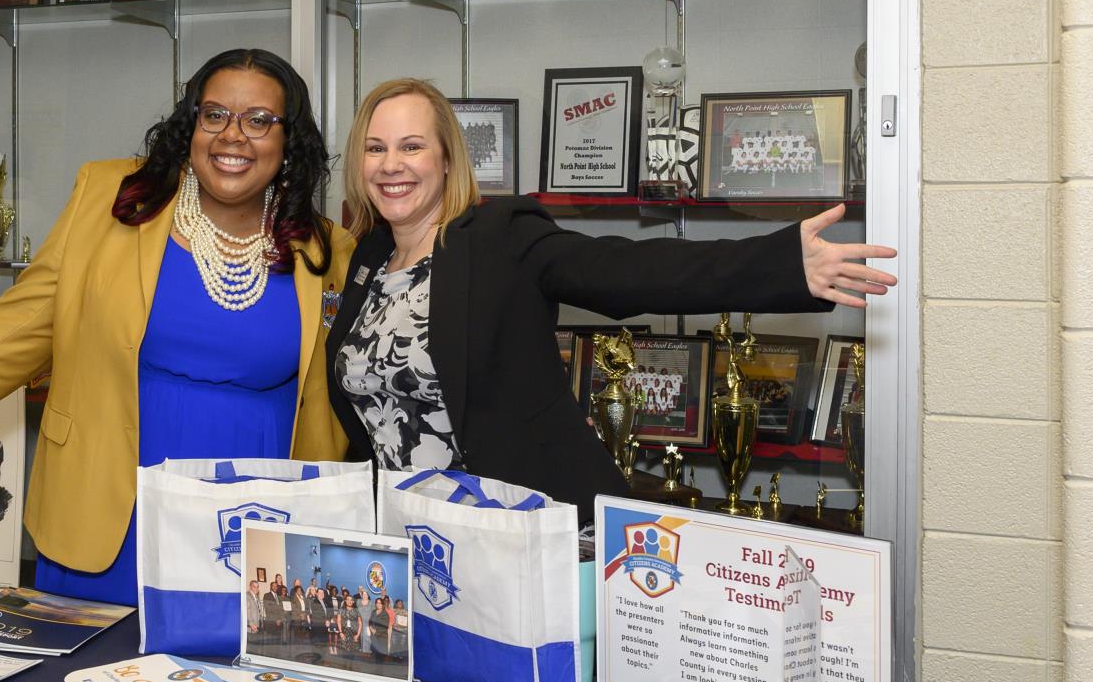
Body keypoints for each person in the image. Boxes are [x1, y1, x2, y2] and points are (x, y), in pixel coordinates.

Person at [0, 49, 351, 605]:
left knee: (234, 663)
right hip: (105, 507)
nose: (232, 136)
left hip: (254, 525)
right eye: (214, 114)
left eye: (259, 120)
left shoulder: (329, 250)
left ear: (289, 140)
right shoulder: (112, 198)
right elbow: (19, 326)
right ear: (190, 124)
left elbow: (347, 400)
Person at [327, 78, 897, 510]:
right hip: (409, 533)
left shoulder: (499, 239)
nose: (391, 165)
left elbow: (631, 270)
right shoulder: (367, 258)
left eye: (411, 147)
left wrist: (781, 265)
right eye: (375, 149)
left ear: (448, 159)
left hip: (516, 526)